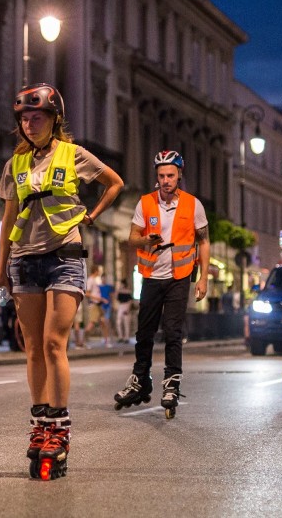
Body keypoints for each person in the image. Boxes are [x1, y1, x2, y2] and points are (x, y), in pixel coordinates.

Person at [0, 83, 123, 480]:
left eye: (38, 117)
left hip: (65, 255)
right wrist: (0, 272)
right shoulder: (14, 163)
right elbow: (9, 217)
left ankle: (59, 429)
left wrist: (91, 216)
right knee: (32, 347)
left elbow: (114, 182)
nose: (30, 125)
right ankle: (39, 426)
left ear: (54, 120)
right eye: (25, 119)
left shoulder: (74, 154)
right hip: (24, 259)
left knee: (53, 342)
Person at [113, 150, 209, 419]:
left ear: (179, 174)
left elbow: (203, 241)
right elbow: (132, 238)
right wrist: (146, 241)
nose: (166, 180)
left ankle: (172, 383)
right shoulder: (145, 203)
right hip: (152, 275)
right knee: (144, 333)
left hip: (179, 276)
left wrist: (203, 278)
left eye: (170, 175)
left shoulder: (193, 205)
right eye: (161, 175)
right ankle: (140, 380)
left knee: (173, 331)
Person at [85, 264, 112, 348]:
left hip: (99, 304)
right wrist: (99, 298)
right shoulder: (90, 280)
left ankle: (107, 341)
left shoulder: (95, 280)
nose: (100, 272)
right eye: (99, 270)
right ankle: (83, 341)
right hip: (94, 304)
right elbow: (87, 293)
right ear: (96, 271)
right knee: (92, 323)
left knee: (104, 322)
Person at [114, 279, 134, 344]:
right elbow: (116, 297)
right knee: (118, 322)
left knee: (126, 322)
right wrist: (118, 290)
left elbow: (131, 300)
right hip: (120, 306)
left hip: (126, 305)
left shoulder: (128, 291)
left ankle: (127, 337)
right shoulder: (119, 291)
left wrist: (128, 308)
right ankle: (120, 337)